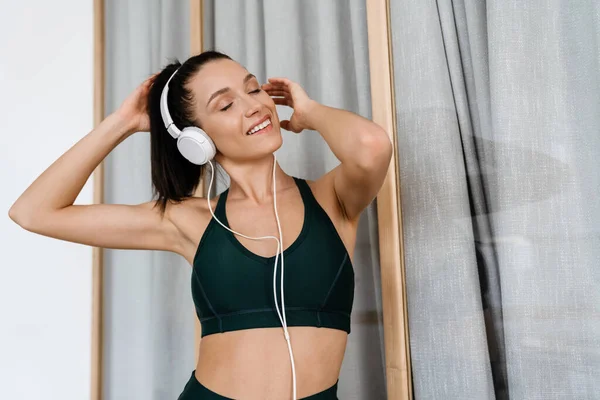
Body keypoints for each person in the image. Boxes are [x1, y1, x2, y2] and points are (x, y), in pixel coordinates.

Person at [9, 51, 392, 400]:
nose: (254, 106)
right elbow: (34, 212)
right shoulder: (189, 220)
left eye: (254, 89)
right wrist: (121, 123)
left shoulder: (332, 200)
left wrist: (309, 113)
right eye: (226, 105)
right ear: (197, 139)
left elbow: (372, 146)